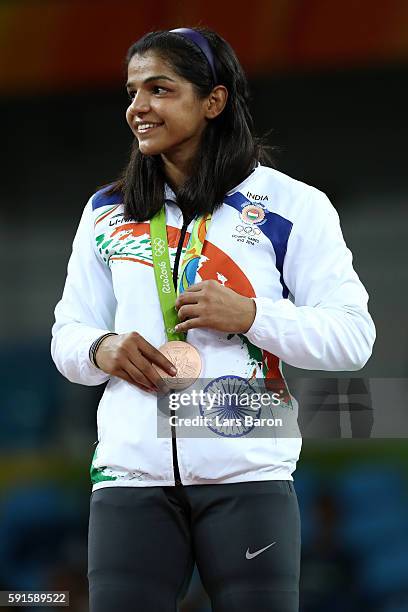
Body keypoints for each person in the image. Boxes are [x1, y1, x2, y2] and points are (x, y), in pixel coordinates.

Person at [50, 27, 376, 612]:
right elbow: (67, 332)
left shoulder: (292, 206)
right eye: (132, 92)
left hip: (248, 473)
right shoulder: (107, 209)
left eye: (160, 89)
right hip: (132, 477)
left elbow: (353, 338)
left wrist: (251, 315)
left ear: (213, 101)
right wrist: (100, 349)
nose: (138, 108)